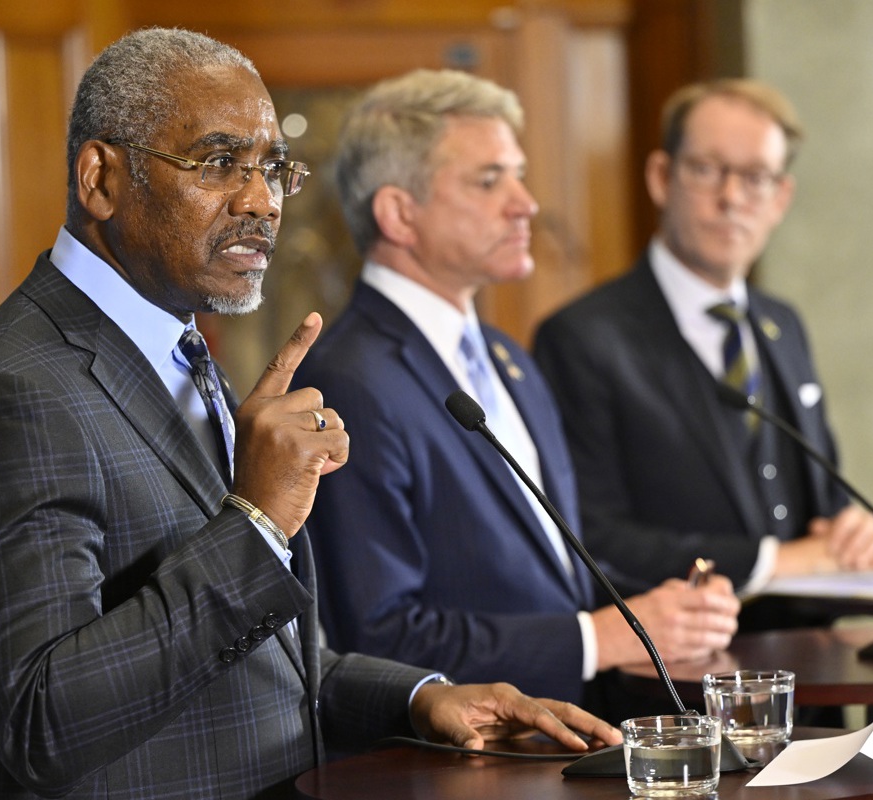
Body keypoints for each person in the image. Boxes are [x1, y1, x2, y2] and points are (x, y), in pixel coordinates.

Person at [0, 29, 619, 800]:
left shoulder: (179, 345)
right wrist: (256, 521)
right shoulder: (12, 392)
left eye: (273, 168)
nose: (261, 201)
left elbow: (265, 660)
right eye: (218, 164)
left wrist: (423, 697)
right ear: (100, 178)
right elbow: (41, 723)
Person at [293, 69, 740, 720]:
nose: (526, 203)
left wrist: (671, 611)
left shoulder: (510, 359)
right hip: (454, 767)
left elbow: (552, 568)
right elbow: (377, 637)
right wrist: (596, 639)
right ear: (398, 213)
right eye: (488, 179)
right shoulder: (349, 381)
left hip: (567, 739)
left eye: (519, 174)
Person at [534, 78, 873, 618]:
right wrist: (770, 561)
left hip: (815, 677)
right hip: (677, 683)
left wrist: (853, 533)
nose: (730, 198)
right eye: (706, 170)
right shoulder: (582, 337)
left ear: (780, 198)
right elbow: (591, 536)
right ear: (661, 177)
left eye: (755, 178)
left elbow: (817, 498)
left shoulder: (783, 324)